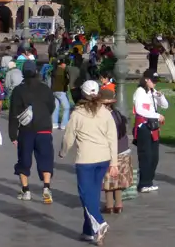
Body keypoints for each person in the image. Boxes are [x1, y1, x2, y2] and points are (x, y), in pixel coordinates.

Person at [59, 80, 118, 245]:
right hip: (104, 158)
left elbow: (68, 137)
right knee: (92, 194)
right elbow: (112, 138)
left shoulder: (77, 114)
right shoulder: (105, 112)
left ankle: (99, 223)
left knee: (86, 195)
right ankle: (88, 231)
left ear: (83, 94)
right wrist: (114, 162)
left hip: (85, 159)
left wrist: (63, 152)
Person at [8, 60, 56, 203]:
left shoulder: (18, 90)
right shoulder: (44, 88)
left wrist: (12, 135)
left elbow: (13, 114)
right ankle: (46, 188)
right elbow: (51, 106)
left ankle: (26, 190)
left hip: (26, 130)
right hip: (44, 129)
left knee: (24, 160)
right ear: (36, 71)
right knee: (45, 159)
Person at [133, 70, 168, 193]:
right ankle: (143, 183)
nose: (155, 84)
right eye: (153, 81)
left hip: (153, 127)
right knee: (145, 156)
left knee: (154, 157)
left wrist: (160, 96)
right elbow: (140, 110)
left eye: (156, 81)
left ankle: (149, 181)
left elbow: (165, 105)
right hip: (144, 126)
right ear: (146, 80)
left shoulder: (152, 92)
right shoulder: (140, 92)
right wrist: (157, 116)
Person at [98, 88, 133, 215]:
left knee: (108, 179)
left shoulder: (104, 116)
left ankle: (109, 205)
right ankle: (119, 204)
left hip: (111, 151)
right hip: (124, 150)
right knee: (118, 179)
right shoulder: (117, 114)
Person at [51, 59, 71, 130]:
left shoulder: (54, 70)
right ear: (62, 64)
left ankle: (54, 123)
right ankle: (64, 124)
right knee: (67, 107)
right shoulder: (63, 71)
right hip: (60, 90)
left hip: (53, 91)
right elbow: (66, 81)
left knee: (56, 107)